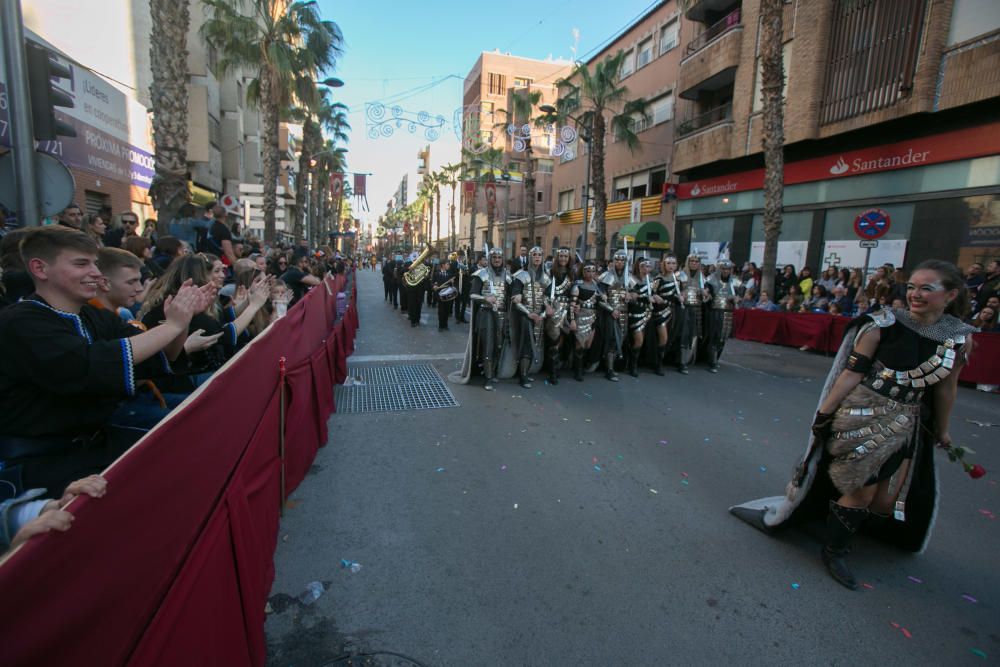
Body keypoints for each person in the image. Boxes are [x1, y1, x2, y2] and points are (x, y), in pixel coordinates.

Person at [731, 259, 977, 590]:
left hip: (908, 425)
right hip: (862, 416)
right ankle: (835, 550)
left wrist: (943, 430)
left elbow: (946, 388)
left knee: (885, 501)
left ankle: (841, 521)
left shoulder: (958, 339)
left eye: (926, 289)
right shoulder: (881, 325)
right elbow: (850, 374)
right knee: (861, 493)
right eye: (912, 287)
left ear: (950, 295)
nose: (915, 295)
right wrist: (824, 413)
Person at [0, 227, 209, 496]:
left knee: (193, 450)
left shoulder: (94, 316)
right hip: (43, 463)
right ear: (40, 269)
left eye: (95, 264)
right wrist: (171, 326)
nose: (96, 274)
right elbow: (85, 366)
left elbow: (154, 359)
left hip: (95, 446)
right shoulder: (20, 321)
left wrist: (182, 322)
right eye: (81, 263)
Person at [457, 247, 511, 390]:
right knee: (488, 346)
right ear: (490, 259)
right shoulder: (481, 274)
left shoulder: (507, 275)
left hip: (501, 314)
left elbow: (510, 297)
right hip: (486, 314)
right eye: (494, 258)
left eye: (499, 258)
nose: (497, 260)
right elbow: (472, 295)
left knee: (499, 346)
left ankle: (492, 372)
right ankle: (487, 377)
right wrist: (485, 298)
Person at [510, 247, 550, 388]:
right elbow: (515, 298)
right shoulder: (521, 275)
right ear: (530, 257)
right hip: (525, 316)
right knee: (527, 345)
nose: (537, 257)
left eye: (539, 255)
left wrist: (543, 314)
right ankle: (523, 376)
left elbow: (548, 300)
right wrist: (528, 313)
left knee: (536, 345)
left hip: (539, 317)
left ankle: (526, 372)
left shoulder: (546, 277)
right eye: (534, 255)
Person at [596, 250, 634, 382]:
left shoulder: (629, 277)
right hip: (610, 313)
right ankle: (609, 370)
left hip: (624, 312)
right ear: (613, 261)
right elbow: (600, 298)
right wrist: (611, 310)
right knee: (612, 340)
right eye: (617, 260)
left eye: (622, 260)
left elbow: (636, 294)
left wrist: (631, 296)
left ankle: (615, 366)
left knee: (621, 339)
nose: (619, 262)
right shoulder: (606, 276)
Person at [704, 258, 742, 373]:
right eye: (724, 268)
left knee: (723, 337)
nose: (726, 271)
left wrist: (737, 299)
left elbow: (740, 296)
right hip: (715, 311)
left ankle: (716, 358)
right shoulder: (711, 280)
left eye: (728, 269)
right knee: (714, 336)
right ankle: (712, 361)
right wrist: (707, 295)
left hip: (728, 312)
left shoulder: (735, 282)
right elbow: (707, 295)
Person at [543, 247, 574, 384]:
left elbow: (574, 294)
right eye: (561, 256)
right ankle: (552, 373)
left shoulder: (572, 274)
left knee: (561, 340)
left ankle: (556, 367)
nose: (563, 259)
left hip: (567, 310)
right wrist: (547, 306)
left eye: (565, 257)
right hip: (554, 309)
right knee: (553, 340)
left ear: (569, 259)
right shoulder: (550, 273)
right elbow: (542, 292)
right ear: (557, 258)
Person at [568, 262, 601, 382]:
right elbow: (572, 305)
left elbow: (599, 302)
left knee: (587, 345)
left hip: (592, 318)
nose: (591, 273)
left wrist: (604, 298)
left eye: (593, 271)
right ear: (583, 272)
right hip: (580, 317)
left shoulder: (597, 285)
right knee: (579, 345)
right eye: (588, 271)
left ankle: (579, 365)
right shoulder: (578, 285)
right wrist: (572, 320)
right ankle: (578, 370)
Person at [625, 258, 657, 377]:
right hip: (635, 312)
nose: (646, 269)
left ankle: (638, 363)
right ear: (638, 267)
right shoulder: (632, 279)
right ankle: (632, 366)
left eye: (648, 267)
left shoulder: (651, 280)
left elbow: (653, 294)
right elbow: (631, 295)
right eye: (643, 266)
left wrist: (656, 297)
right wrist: (643, 296)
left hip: (647, 312)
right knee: (638, 340)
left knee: (644, 340)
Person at [677, 254, 708, 374]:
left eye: (697, 261)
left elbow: (708, 296)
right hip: (684, 308)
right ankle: (681, 362)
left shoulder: (702, 277)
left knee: (693, 335)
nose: (694, 263)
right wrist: (680, 294)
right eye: (692, 261)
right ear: (688, 262)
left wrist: (706, 294)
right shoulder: (680, 275)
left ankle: (688, 359)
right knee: (683, 334)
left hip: (696, 309)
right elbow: (674, 290)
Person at [432, 259, 455, 331]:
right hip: (440, 294)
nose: (449, 266)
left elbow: (451, 285)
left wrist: (452, 282)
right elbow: (434, 282)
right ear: (443, 265)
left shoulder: (449, 274)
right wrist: (434, 286)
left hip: (448, 295)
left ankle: (445, 324)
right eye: (447, 264)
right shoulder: (437, 273)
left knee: (447, 310)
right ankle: (441, 325)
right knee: (441, 310)